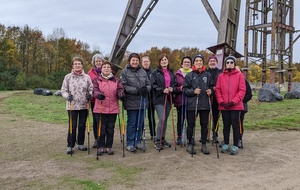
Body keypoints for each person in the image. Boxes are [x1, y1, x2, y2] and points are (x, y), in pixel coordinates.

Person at [61, 57, 93, 154]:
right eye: (75, 64)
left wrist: (89, 95)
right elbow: (63, 90)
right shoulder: (68, 77)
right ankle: (70, 145)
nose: (77, 65)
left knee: (82, 125)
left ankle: (80, 143)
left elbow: (91, 89)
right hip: (72, 105)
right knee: (72, 125)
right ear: (73, 65)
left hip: (84, 105)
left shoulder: (87, 77)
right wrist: (67, 96)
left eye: (79, 63)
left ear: (82, 65)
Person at [120, 53, 151, 152]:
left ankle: (138, 141)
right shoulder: (125, 72)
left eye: (136, 60)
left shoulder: (143, 72)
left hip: (142, 101)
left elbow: (148, 84)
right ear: (129, 61)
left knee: (140, 123)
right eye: (133, 60)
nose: (135, 62)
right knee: (132, 122)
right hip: (131, 102)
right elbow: (124, 86)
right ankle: (130, 142)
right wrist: (136, 90)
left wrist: (146, 89)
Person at [215, 55, 246, 155]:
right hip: (224, 105)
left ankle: (235, 145)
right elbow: (218, 90)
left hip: (235, 105)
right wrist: (221, 101)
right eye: (227, 63)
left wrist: (234, 101)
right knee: (226, 125)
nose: (229, 64)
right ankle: (226, 143)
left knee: (235, 125)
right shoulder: (221, 76)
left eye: (231, 62)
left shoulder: (240, 75)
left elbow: (242, 90)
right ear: (225, 64)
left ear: (234, 64)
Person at [93, 61, 125, 155]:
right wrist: (98, 95)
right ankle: (101, 146)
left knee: (110, 128)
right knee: (101, 128)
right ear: (101, 69)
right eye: (104, 67)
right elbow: (94, 90)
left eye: (108, 67)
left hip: (113, 108)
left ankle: (109, 146)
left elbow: (120, 89)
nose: (106, 68)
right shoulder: (97, 79)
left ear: (111, 69)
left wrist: (121, 94)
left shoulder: (116, 80)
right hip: (100, 108)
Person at [183, 54, 213, 155]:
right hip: (192, 104)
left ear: (203, 62)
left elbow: (213, 87)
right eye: (197, 61)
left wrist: (211, 91)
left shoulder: (208, 75)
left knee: (204, 124)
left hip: (204, 104)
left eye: (200, 61)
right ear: (194, 63)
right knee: (191, 124)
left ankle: (204, 144)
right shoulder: (189, 75)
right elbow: (185, 89)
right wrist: (193, 91)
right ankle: (190, 143)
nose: (199, 62)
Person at [151, 53, 178, 150]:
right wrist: (162, 89)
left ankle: (162, 138)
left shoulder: (171, 72)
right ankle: (157, 140)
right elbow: (153, 85)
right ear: (159, 62)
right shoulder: (155, 73)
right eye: (162, 60)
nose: (164, 61)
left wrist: (172, 88)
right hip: (159, 99)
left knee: (165, 120)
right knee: (162, 119)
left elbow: (175, 84)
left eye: (165, 59)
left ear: (168, 61)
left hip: (169, 99)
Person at [87, 54, 105, 148]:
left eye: (100, 61)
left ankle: (103, 138)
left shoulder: (106, 70)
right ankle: (97, 139)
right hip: (94, 100)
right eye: (96, 61)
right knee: (96, 120)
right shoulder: (90, 73)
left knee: (104, 120)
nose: (98, 62)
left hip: (105, 100)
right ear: (94, 62)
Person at [174, 56, 192, 145]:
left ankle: (190, 137)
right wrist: (179, 89)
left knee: (190, 120)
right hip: (180, 100)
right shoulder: (177, 74)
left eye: (188, 62)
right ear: (182, 64)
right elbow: (174, 87)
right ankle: (179, 136)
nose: (186, 64)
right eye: (185, 62)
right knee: (180, 120)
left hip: (191, 101)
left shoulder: (194, 73)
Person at [206, 55, 222, 143]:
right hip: (206, 97)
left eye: (214, 61)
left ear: (217, 62)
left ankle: (215, 134)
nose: (212, 62)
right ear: (208, 63)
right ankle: (205, 134)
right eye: (210, 61)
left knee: (215, 117)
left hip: (216, 98)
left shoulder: (220, 72)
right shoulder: (205, 72)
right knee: (205, 117)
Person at [235, 66, 253, 148]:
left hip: (241, 106)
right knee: (229, 123)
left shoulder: (244, 82)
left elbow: (249, 95)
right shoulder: (230, 81)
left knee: (239, 122)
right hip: (231, 105)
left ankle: (239, 139)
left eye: (238, 71)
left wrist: (240, 100)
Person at [141, 56, 156, 140]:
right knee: (142, 117)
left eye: (147, 61)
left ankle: (153, 134)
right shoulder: (140, 72)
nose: (146, 63)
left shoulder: (153, 72)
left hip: (151, 97)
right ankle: (140, 134)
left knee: (151, 116)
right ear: (142, 63)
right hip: (143, 97)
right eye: (144, 62)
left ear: (149, 62)